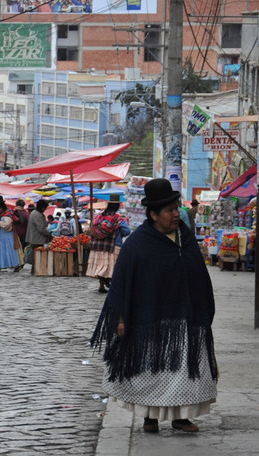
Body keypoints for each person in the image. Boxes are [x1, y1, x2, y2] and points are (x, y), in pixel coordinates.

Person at [90, 178, 217, 434]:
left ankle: (181, 417)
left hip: (185, 316)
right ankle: (150, 417)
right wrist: (121, 318)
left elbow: (196, 272)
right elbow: (121, 283)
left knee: (184, 372)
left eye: (176, 208)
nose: (175, 214)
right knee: (151, 372)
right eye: (169, 210)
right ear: (153, 214)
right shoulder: (137, 244)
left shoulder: (185, 237)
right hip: (149, 317)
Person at [87, 194, 130, 293]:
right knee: (112, 267)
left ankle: (101, 285)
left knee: (100, 265)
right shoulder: (117, 219)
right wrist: (119, 233)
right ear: (117, 206)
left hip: (97, 246)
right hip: (112, 245)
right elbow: (127, 231)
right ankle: (109, 281)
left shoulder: (98, 217)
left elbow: (92, 229)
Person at [25, 200, 51, 274]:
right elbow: (41, 228)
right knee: (37, 256)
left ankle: (35, 270)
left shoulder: (34, 213)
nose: (45, 210)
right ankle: (36, 270)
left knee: (36, 256)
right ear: (42, 208)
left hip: (35, 238)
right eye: (45, 208)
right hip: (37, 239)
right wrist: (48, 233)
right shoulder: (37, 215)